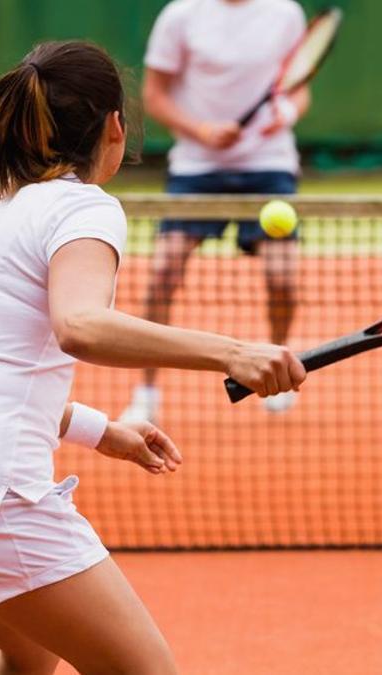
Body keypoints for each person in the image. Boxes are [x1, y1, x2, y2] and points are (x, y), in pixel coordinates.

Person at [0, 41, 305, 674]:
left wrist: (100, 431)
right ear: (115, 126)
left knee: (31, 658)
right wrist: (232, 351)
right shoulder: (83, 206)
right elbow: (80, 326)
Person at [120, 0, 311, 421]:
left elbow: (298, 86)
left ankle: (278, 369)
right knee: (163, 273)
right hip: (197, 168)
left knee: (283, 279)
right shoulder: (181, 16)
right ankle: (146, 393)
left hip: (269, 166)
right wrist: (202, 131)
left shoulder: (286, 14)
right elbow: (154, 95)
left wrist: (288, 111)